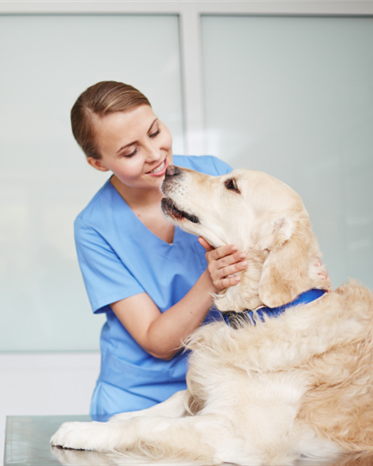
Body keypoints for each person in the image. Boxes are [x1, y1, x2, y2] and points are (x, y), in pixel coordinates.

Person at [71, 81, 248, 419]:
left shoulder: (213, 174)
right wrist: (211, 281)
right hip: (139, 402)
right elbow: (158, 341)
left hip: (223, 386)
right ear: (98, 163)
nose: (154, 154)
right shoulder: (94, 227)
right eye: (129, 152)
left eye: (154, 132)